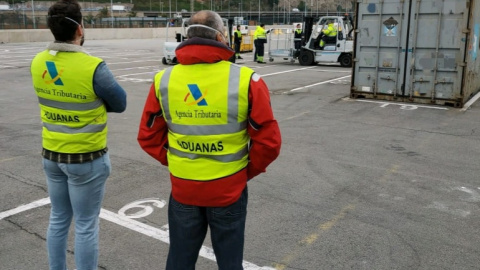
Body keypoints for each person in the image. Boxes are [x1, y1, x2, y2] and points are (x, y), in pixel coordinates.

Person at [137, 10, 281, 270]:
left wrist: (176, 161)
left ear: (188, 36)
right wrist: (244, 172)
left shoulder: (164, 80)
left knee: (180, 261)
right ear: (220, 36)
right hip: (229, 189)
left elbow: (148, 136)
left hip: (183, 190)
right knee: (229, 263)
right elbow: (268, 143)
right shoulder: (247, 80)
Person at [30, 0, 127, 269]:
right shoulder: (92, 66)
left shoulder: (38, 62)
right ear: (80, 29)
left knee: (58, 218)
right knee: (85, 225)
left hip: (51, 154)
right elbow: (120, 103)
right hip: (86, 158)